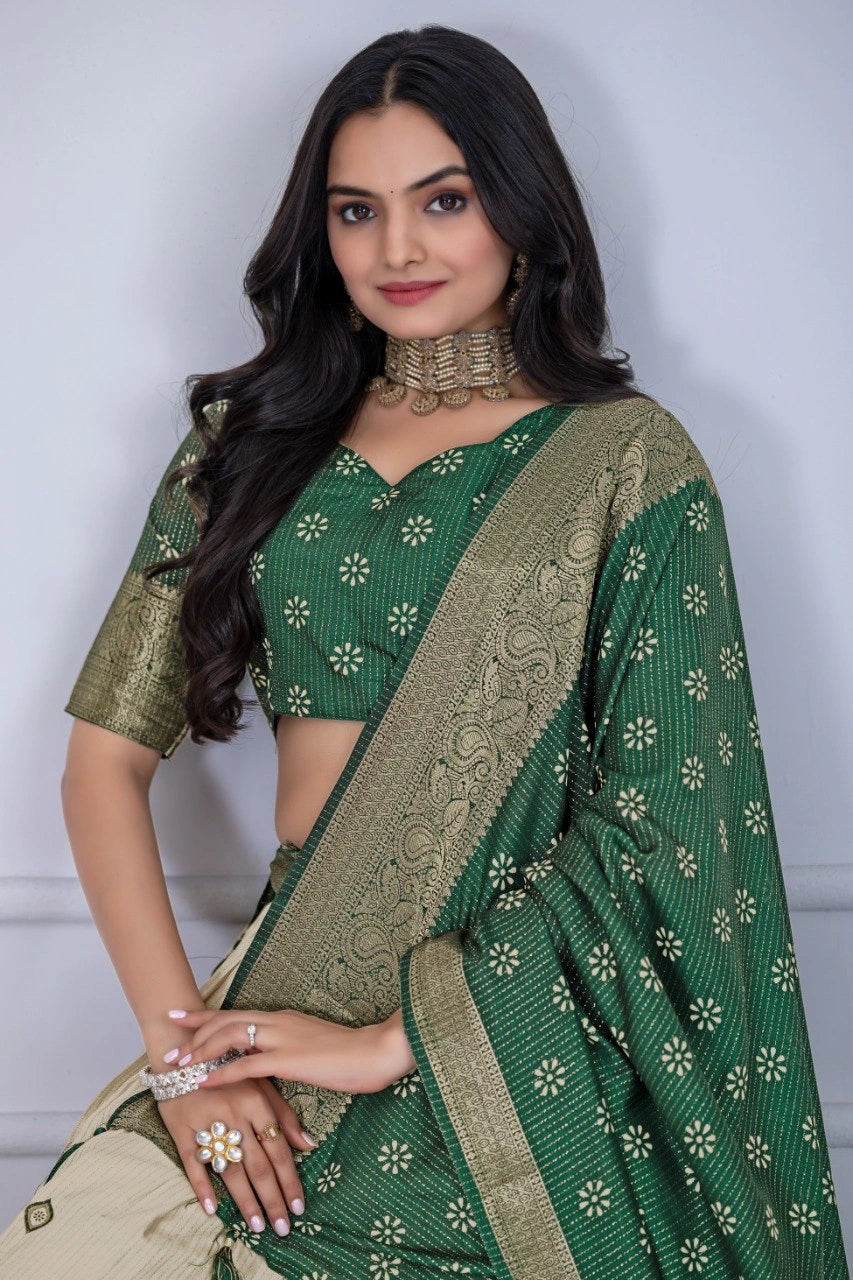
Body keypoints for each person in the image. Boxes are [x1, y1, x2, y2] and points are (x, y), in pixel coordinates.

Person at [1, 21, 848, 1280]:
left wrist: (399, 1039)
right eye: (355, 211)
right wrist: (185, 1060)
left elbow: (671, 822)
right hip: (278, 982)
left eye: (442, 200)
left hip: (514, 1031)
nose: (396, 249)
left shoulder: (626, 465)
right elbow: (103, 759)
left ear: (519, 208)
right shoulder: (248, 442)